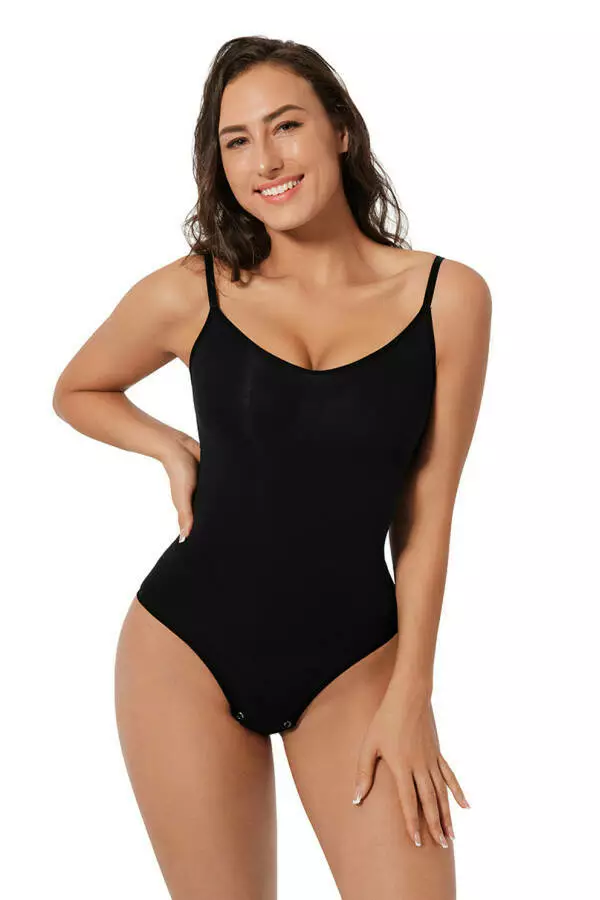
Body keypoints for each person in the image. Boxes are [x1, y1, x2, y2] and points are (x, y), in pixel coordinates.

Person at [53, 35, 491, 900]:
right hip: (184, 650)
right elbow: (78, 388)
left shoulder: (448, 298)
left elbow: (428, 510)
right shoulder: (193, 290)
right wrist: (170, 446)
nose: (266, 160)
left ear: (341, 131)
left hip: (355, 662)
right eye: (237, 140)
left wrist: (411, 696)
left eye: (286, 126)